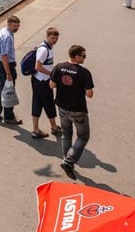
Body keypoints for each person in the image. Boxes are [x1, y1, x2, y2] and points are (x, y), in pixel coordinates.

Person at [50, 44, 94, 181]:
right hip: (78, 110)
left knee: (66, 134)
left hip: (62, 107)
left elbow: (52, 85)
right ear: (76, 56)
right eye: (83, 56)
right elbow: (89, 94)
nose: (85, 58)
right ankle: (68, 162)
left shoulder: (58, 67)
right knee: (83, 136)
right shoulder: (84, 73)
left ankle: (66, 158)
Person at [0, 15, 22, 125]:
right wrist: (8, 73)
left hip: (0, 63)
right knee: (9, 90)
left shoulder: (3, 31)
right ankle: (8, 116)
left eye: (18, 26)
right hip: (6, 65)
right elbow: (4, 56)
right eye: (14, 26)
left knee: (2, 89)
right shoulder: (7, 36)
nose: (16, 28)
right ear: (9, 24)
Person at [30, 27, 61, 139]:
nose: (54, 40)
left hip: (39, 80)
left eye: (56, 38)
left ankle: (37, 129)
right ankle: (51, 127)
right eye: (52, 38)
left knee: (38, 103)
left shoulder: (48, 47)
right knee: (47, 103)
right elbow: (37, 66)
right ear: (47, 36)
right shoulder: (44, 50)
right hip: (42, 80)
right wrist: (51, 74)